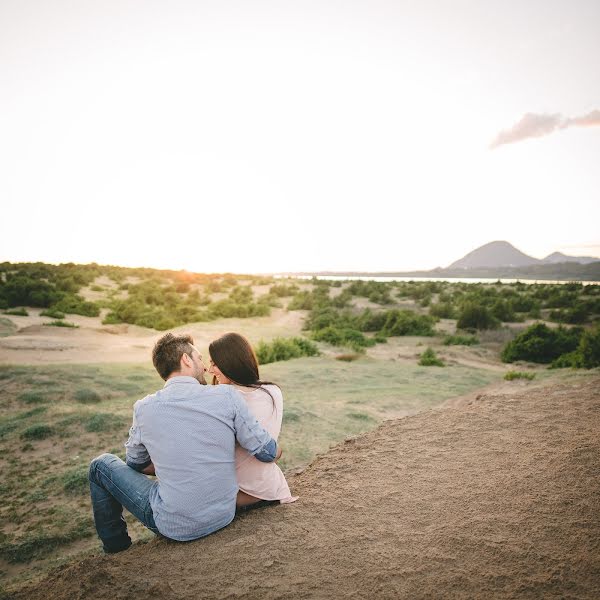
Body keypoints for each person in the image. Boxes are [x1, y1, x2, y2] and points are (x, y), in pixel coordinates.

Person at [88, 332, 281, 554]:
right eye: (200, 358)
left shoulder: (144, 408)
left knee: (100, 465)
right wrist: (278, 451)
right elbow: (266, 452)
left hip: (176, 526)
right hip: (224, 514)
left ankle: (116, 549)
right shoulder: (226, 396)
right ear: (186, 360)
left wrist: (175, 463)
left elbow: (135, 462)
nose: (205, 367)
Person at [208, 332, 298, 509]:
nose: (210, 370)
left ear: (230, 362)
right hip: (269, 486)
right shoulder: (272, 391)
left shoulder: (227, 397)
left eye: (214, 364)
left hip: (241, 491)